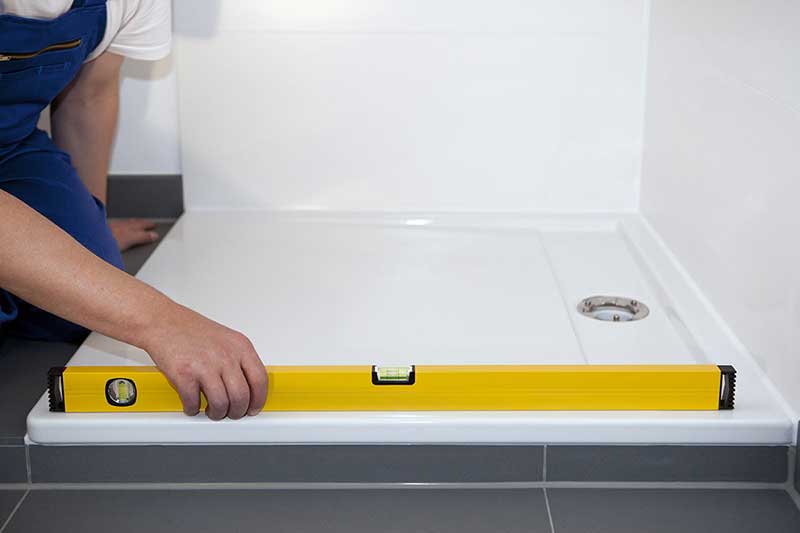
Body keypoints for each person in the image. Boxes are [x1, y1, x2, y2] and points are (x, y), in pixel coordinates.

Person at [0, 0, 267, 420]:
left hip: (9, 146)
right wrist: (163, 322)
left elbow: (90, 97)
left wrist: (91, 228)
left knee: (83, 307)